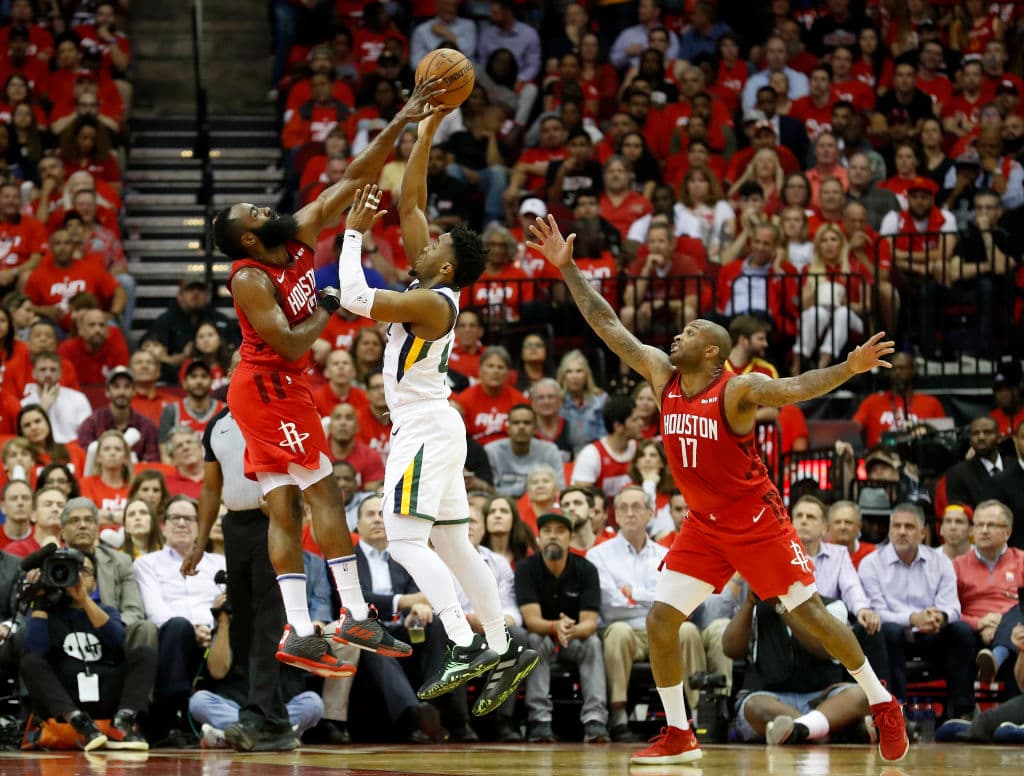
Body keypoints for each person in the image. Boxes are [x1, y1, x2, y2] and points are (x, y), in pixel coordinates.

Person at [526, 214, 908, 764]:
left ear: (712, 352)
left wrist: (847, 368)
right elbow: (609, 325)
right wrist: (568, 271)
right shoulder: (663, 374)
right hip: (704, 526)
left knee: (812, 617)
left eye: (692, 331)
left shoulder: (739, 389)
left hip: (756, 522)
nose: (678, 334)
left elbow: (795, 388)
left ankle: (881, 700)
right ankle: (680, 734)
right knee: (662, 620)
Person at [209, 84, 446, 673]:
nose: (267, 212)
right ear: (246, 239)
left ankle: (297, 627)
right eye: (256, 216)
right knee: (323, 493)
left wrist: (401, 119)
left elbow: (351, 177)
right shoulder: (248, 277)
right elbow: (289, 340)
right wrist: (328, 306)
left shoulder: (294, 235)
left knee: (287, 505)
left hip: (277, 385)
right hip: (267, 386)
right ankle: (353, 610)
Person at [330, 102, 538, 714]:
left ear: (443, 263)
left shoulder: (432, 303)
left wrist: (351, 233)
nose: (418, 242)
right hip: (436, 428)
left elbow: (357, 297)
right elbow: (413, 203)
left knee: (401, 541)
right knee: (453, 546)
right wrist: (427, 130)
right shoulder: (432, 285)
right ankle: (503, 646)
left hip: (423, 429)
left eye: (432, 245)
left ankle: (462, 637)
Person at [182, 392, 344, 752]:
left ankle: (253, 718)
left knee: (269, 625)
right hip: (236, 527)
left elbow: (310, 470)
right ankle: (278, 727)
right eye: (241, 366)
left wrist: (289, 502)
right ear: (230, 377)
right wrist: (200, 541)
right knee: (241, 627)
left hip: (274, 524)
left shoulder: (282, 415)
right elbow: (211, 488)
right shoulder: (217, 425)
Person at [21, 548, 156, 752]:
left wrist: (84, 600)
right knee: (30, 662)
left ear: (95, 582)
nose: (77, 576)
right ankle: (78, 722)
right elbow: (35, 651)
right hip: (67, 700)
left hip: (105, 692)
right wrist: (39, 600)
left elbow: (117, 640)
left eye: (83, 570)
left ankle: (123, 722)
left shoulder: (106, 610)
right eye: (69, 570)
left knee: (145, 653)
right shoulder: (46, 613)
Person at [859, 503, 976, 721]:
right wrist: (913, 618)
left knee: (962, 631)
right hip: (895, 636)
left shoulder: (940, 562)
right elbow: (876, 612)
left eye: (909, 527)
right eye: (897, 526)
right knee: (887, 631)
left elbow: (952, 607)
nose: (902, 532)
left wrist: (939, 617)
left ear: (923, 533)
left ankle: (962, 712)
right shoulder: (871, 564)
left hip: (932, 634)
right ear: (890, 530)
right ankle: (898, 712)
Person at [133, 495, 226, 740]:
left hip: (215, 637)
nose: (182, 523)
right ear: (163, 527)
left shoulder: (219, 564)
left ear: (199, 527)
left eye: (189, 518)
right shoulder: (146, 564)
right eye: (175, 518)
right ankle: (169, 713)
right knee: (178, 626)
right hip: (170, 638)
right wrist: (194, 629)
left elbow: (225, 603)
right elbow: (155, 611)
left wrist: (210, 628)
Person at [516, 511, 609, 743]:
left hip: (574, 637)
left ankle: (595, 720)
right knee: (536, 641)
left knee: (593, 642)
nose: (553, 537)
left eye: (560, 531)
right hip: (543, 636)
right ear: (539, 539)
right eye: (547, 531)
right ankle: (539, 720)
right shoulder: (526, 569)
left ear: (570, 537)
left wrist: (568, 630)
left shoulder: (586, 569)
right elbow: (531, 621)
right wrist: (555, 626)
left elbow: (589, 623)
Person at [952, 499, 1024, 685]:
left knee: (1018, 615)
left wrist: (1002, 624)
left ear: (1007, 532)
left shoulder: (1021, 560)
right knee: (958, 632)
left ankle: (996, 659)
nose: (983, 530)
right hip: (974, 634)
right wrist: (979, 623)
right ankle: (964, 710)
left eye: (991, 525)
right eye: (979, 525)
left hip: (1016, 628)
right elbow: (949, 609)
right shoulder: (957, 565)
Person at [851, 352, 946, 448]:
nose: (897, 372)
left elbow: (944, 438)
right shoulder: (871, 402)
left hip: (918, 458)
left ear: (913, 370)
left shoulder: (931, 403)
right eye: (893, 369)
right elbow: (852, 429)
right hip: (880, 458)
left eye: (902, 368)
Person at [76, 366, 160, 463]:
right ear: (107, 392)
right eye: (116, 386)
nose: (122, 392)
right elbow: (85, 459)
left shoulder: (147, 426)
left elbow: (151, 463)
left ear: (134, 392)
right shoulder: (92, 423)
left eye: (127, 386)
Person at [485, 404, 565, 498]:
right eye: (516, 423)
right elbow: (489, 492)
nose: (521, 427)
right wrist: (523, 488)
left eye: (527, 423)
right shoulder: (492, 451)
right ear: (508, 428)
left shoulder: (550, 450)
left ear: (535, 429)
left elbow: (560, 488)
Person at [945, 416, 1005, 509]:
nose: (981, 437)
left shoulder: (1015, 466)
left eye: (987, 432)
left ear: (999, 437)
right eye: (976, 433)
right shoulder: (958, 474)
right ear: (970, 440)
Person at [826, 500, 876, 569]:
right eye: (837, 522)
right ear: (829, 527)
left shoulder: (872, 553)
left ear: (858, 527)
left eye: (848, 522)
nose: (843, 527)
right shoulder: (820, 553)